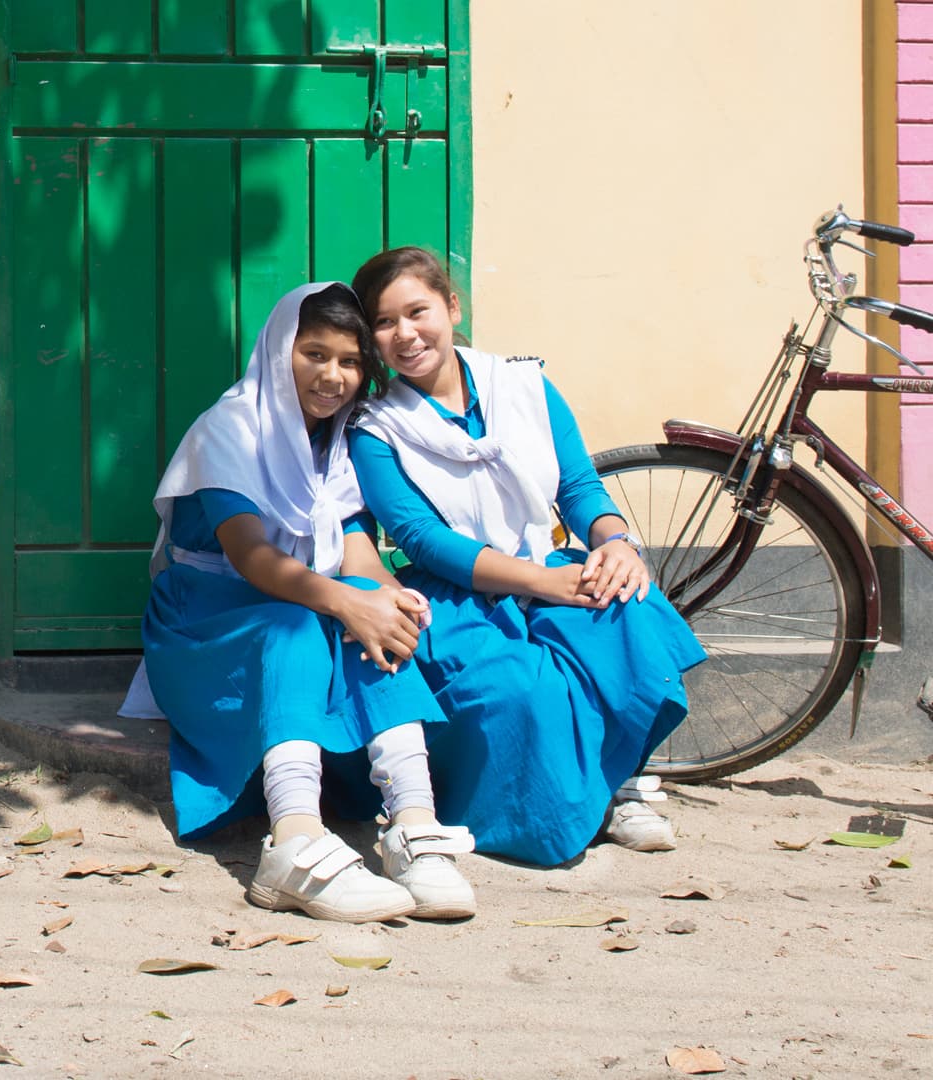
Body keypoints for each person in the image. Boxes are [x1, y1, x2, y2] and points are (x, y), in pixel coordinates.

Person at [119, 282, 478, 923]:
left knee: (370, 604)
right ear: (280, 350)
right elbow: (253, 559)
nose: (331, 376)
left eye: (349, 361)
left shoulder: (335, 440)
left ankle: (415, 827)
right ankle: (293, 843)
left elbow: (356, 552)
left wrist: (391, 601)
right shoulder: (231, 428)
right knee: (300, 623)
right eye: (314, 354)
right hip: (206, 620)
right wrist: (347, 601)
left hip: (300, 600)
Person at [345, 247, 707, 867]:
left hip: (550, 561)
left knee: (629, 616)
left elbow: (578, 486)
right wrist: (543, 584)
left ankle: (616, 786)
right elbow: (426, 540)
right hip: (458, 594)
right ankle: (564, 809)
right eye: (384, 322)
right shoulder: (375, 430)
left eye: (418, 311)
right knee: (521, 688)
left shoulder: (525, 386)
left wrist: (616, 542)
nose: (405, 334)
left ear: (451, 307)